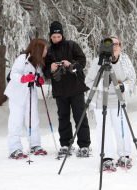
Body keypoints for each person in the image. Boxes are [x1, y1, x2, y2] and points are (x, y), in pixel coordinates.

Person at [85, 36, 136, 171]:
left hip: (119, 100)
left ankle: (124, 154)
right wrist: (102, 85)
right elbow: (88, 81)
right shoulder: (98, 61)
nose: (114, 47)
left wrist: (124, 85)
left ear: (120, 46)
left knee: (121, 127)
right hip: (101, 100)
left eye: (117, 44)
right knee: (104, 128)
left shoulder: (124, 61)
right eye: (111, 44)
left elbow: (132, 78)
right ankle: (107, 157)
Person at [43, 21, 91, 156]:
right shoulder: (49, 51)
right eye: (53, 37)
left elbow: (82, 62)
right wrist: (51, 69)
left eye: (58, 36)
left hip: (76, 88)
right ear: (50, 37)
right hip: (60, 90)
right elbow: (45, 72)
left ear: (62, 35)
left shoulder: (72, 45)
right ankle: (65, 144)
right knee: (63, 118)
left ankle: (84, 145)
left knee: (80, 116)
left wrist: (71, 64)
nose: (56, 39)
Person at [4, 38, 47, 159]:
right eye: (44, 49)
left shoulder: (38, 61)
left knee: (33, 119)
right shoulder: (23, 58)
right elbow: (13, 74)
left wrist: (38, 80)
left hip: (30, 93)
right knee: (16, 120)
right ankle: (14, 148)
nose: (46, 51)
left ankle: (35, 145)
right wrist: (23, 78)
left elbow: (36, 75)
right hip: (17, 94)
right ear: (38, 49)